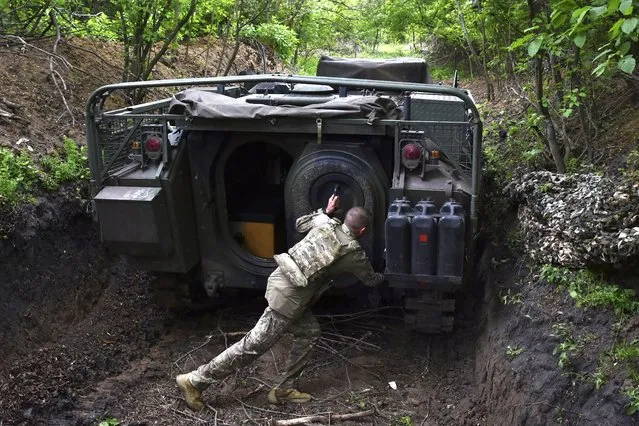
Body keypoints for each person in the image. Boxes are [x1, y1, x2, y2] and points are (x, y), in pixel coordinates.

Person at [176, 194, 385, 411]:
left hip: (281, 283)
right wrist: (388, 272)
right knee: (253, 346)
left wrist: (326, 211)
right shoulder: (353, 253)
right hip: (288, 301)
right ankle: (195, 381)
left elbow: (300, 223)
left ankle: (284, 389)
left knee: (309, 332)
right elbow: (371, 279)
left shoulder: (325, 222)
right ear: (362, 231)